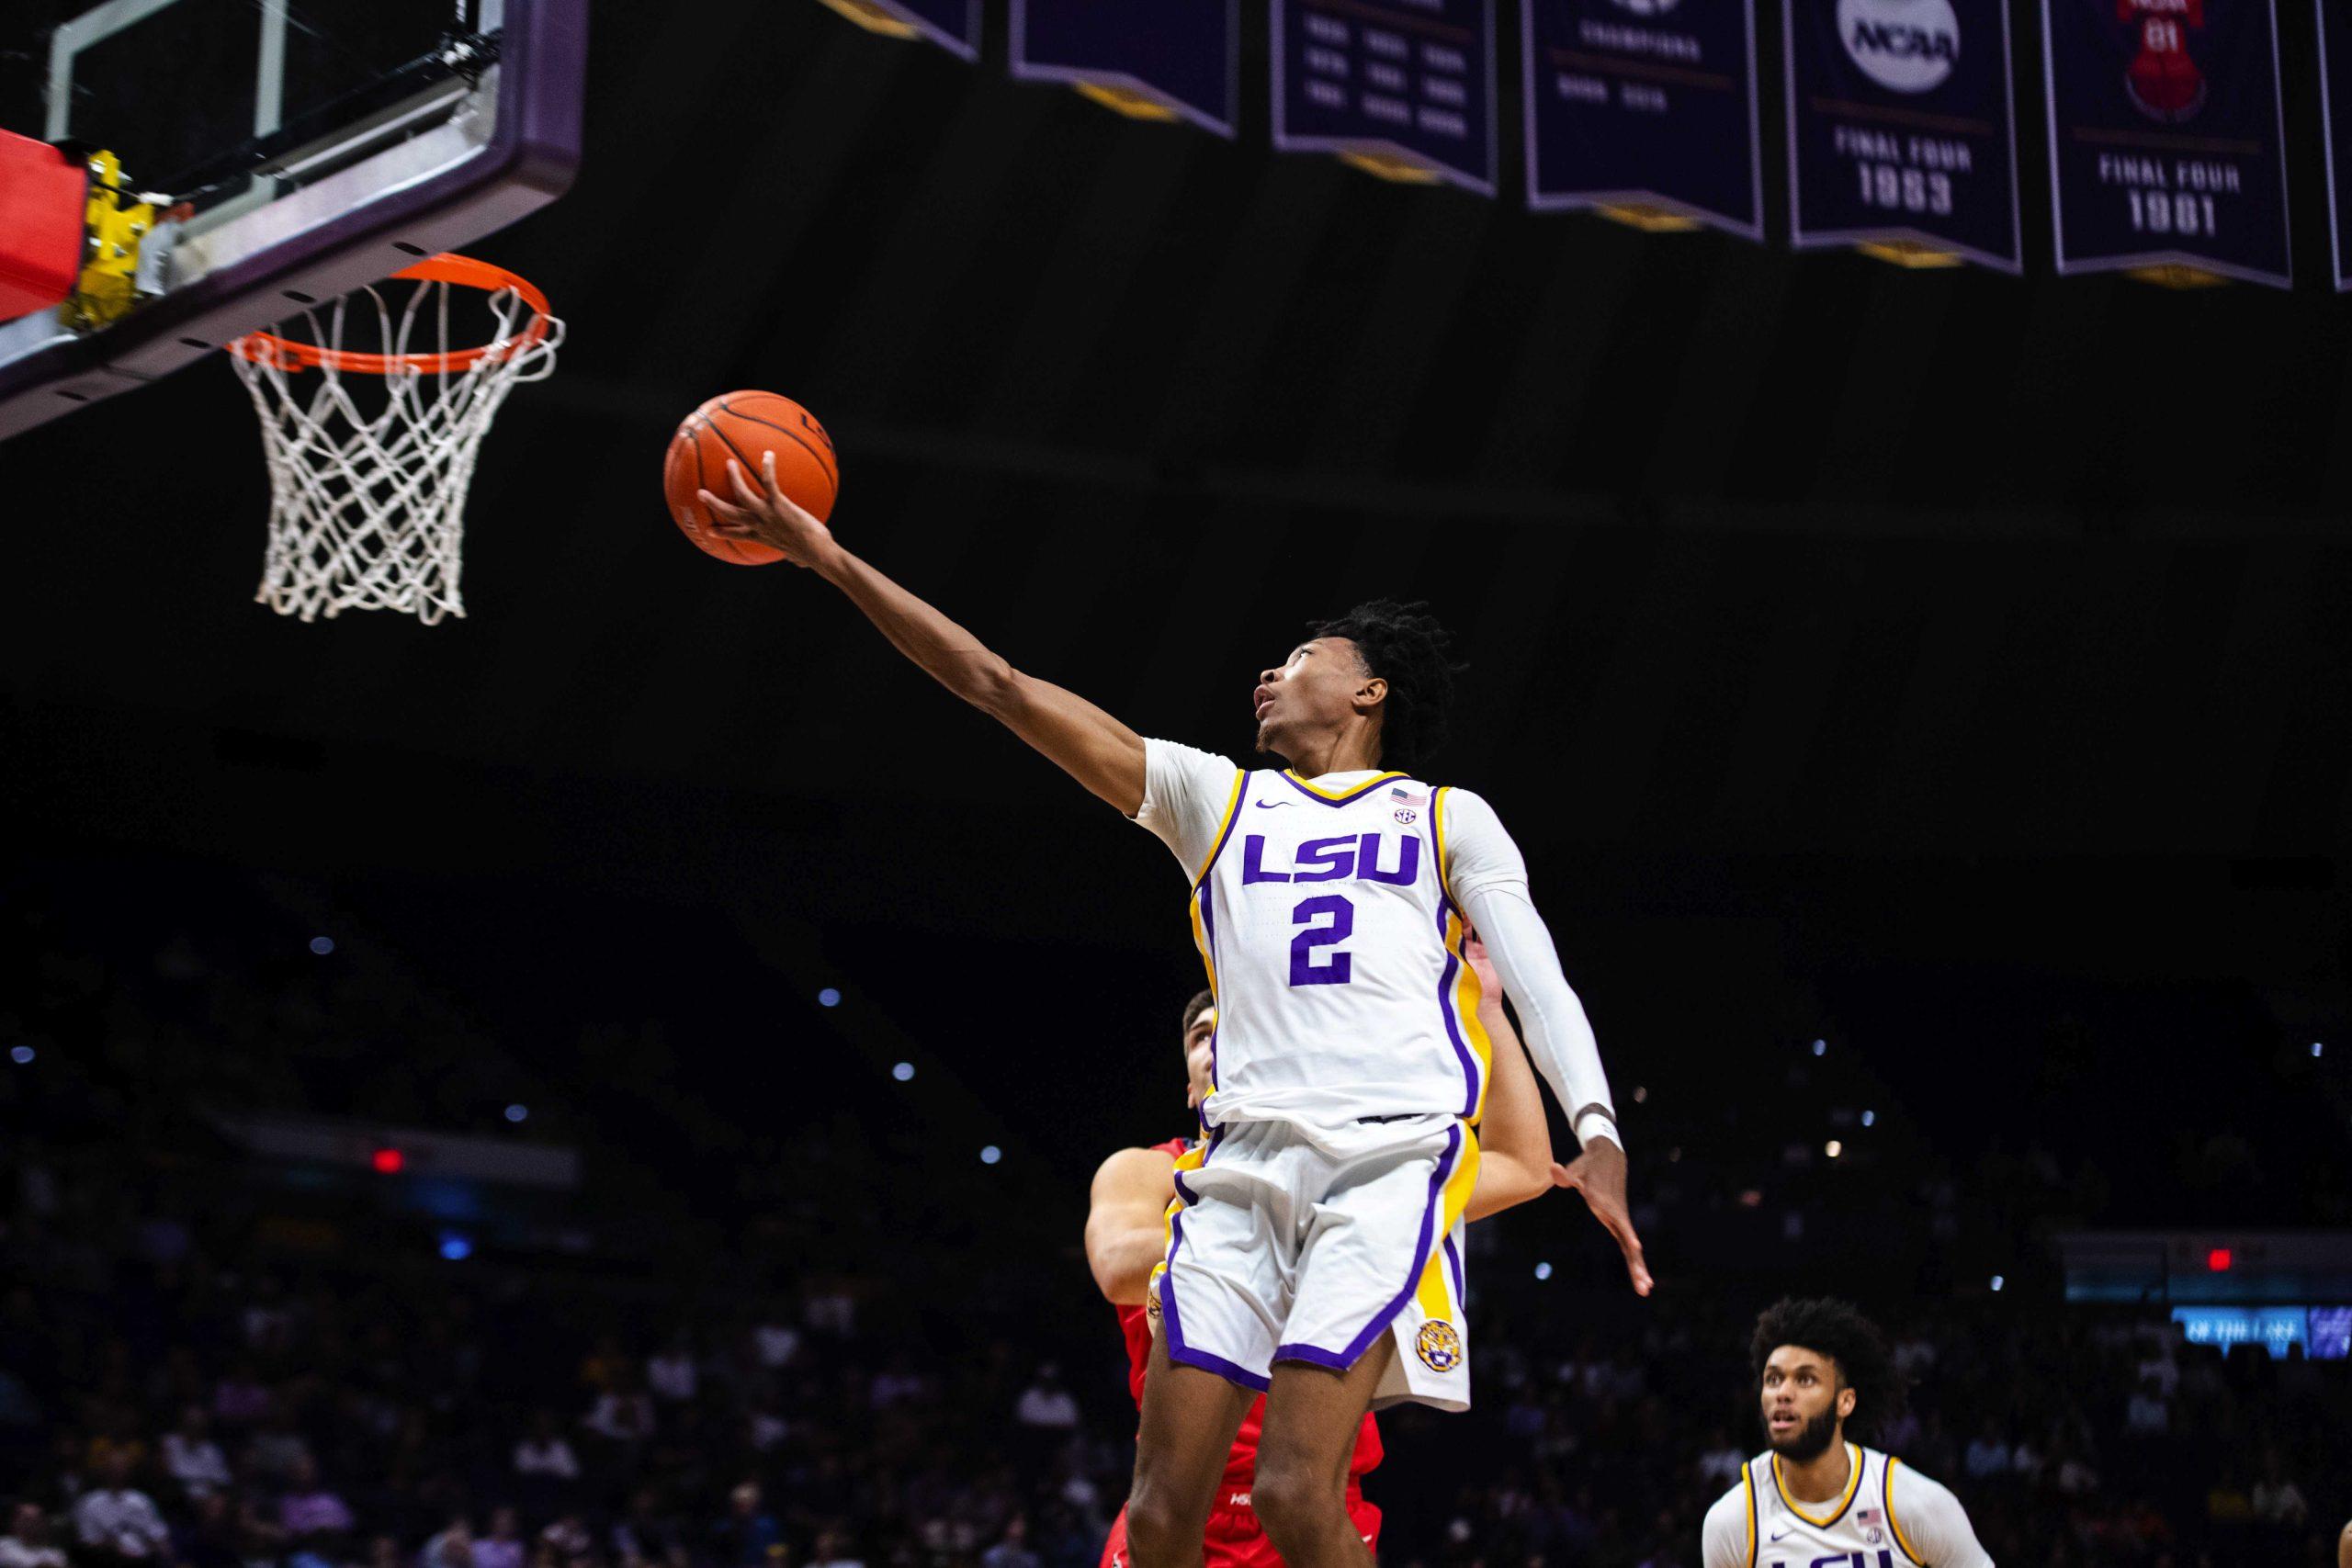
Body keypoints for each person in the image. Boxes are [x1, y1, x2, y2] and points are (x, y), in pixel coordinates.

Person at [700, 457, 1644, 1568]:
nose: (1267, 671)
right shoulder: (1218, 800)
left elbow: (1534, 974)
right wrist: (825, 558)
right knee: (1155, 1520)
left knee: (1298, 1495)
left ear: (1369, 692)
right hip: (1243, 1164)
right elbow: (999, 685)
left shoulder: (1447, 817)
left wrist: (1599, 1129)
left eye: (1300, 658)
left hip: (1385, 1160)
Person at [1087, 934, 1560, 1568]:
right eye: (1201, 1035)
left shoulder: (1367, 1172)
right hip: (1182, 1507)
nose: (1218, 1042)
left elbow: (1522, 1165)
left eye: (1242, 1020)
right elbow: (1119, 1265)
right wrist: (1304, 1221)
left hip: (1312, 1504)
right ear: (1191, 1085)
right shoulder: (1147, 1170)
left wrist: (1486, 1008)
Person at [1700, 1299, 1992, 1568]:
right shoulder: (1733, 1521)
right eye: (1773, 1379)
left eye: (1805, 1379)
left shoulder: (1915, 1504)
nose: (1783, 1393)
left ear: (1845, 1402)